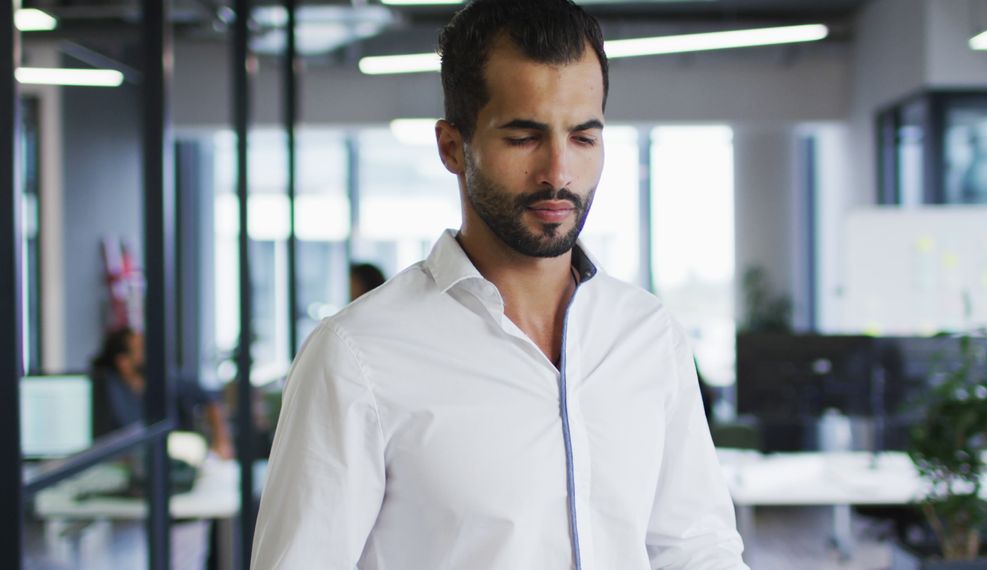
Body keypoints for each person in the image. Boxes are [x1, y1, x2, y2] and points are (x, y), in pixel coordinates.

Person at [251, 0, 747, 567]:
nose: (559, 173)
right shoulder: (357, 356)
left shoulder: (647, 334)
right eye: (523, 138)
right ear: (451, 147)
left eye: (584, 138)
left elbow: (695, 547)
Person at [91, 327, 234, 460]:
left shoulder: (162, 379)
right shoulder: (107, 390)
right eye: (141, 349)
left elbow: (210, 399)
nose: (150, 354)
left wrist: (222, 443)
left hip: (173, 461)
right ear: (124, 362)